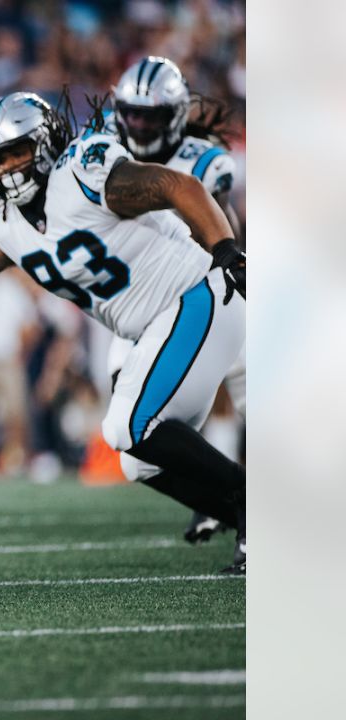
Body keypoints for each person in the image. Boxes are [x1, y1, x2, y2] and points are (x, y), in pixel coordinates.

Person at [0, 91, 247, 574]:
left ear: (47, 142)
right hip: (155, 324)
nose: (6, 168)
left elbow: (177, 186)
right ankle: (246, 519)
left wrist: (225, 248)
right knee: (138, 458)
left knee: (130, 426)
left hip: (197, 294)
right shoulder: (3, 216)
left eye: (16, 152)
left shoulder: (83, 174)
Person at [104, 56, 247, 544]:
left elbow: (223, 229)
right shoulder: (102, 152)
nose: (139, 124)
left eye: (152, 115)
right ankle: (222, 499)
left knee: (243, 399)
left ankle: (248, 504)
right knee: (133, 443)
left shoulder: (204, 161)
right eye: (133, 113)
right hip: (140, 308)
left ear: (177, 114)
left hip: (206, 295)